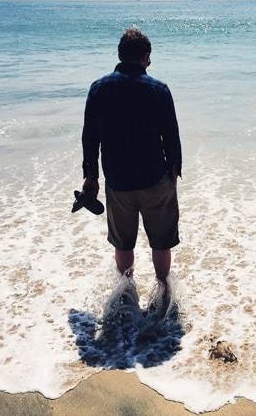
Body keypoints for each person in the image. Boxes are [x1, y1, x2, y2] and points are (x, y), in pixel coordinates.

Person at [81, 28, 182, 305]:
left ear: (119, 55)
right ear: (146, 58)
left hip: (118, 180)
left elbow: (90, 137)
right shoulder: (158, 89)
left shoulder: (99, 88)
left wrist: (91, 175)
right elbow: (171, 135)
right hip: (155, 178)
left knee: (123, 243)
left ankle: (126, 291)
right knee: (161, 242)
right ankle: (163, 291)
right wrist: (174, 172)